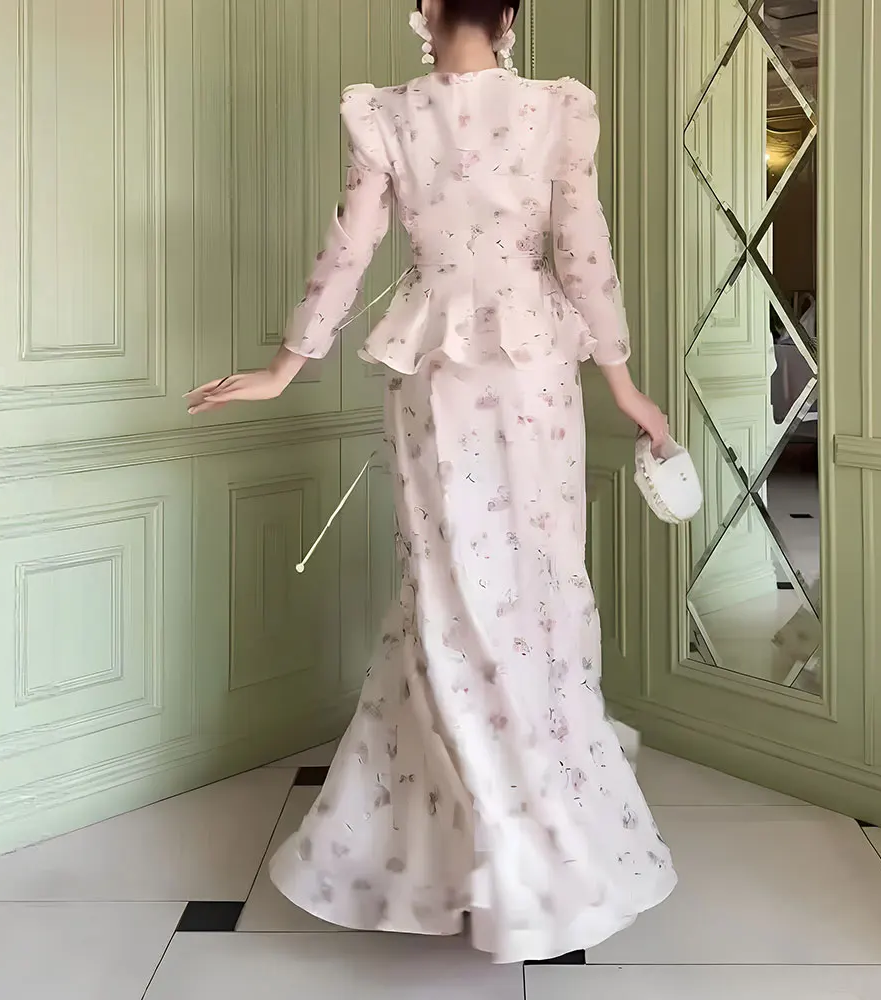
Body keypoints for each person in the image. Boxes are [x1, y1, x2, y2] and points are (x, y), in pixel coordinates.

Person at [187, 0, 677, 964]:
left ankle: (460, 845)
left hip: (435, 370)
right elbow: (584, 257)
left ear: (424, 10)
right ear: (512, 15)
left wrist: (288, 365)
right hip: (535, 370)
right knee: (539, 585)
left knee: (449, 591)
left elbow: (349, 248)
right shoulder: (556, 108)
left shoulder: (389, 114)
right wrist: (623, 383)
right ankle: (531, 839)